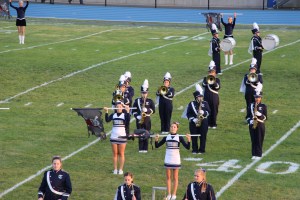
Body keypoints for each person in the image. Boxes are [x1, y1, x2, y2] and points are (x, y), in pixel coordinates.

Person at [155, 122, 191, 200]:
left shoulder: (179, 137)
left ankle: (174, 194)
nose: (172, 128)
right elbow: (157, 146)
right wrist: (156, 139)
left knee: (175, 177)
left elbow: (187, 147)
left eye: (174, 127)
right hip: (168, 158)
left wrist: (189, 140)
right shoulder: (166, 137)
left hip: (176, 159)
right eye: (171, 127)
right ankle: (169, 194)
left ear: (177, 128)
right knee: (168, 177)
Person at [104, 102, 130, 175]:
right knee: (115, 154)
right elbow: (107, 120)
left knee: (121, 153)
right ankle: (115, 169)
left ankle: (120, 169)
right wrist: (106, 112)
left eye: (120, 106)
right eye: (117, 106)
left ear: (122, 107)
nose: (119, 108)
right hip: (114, 136)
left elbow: (127, 122)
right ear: (115, 108)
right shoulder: (113, 115)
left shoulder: (124, 115)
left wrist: (128, 111)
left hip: (122, 136)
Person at [186, 84, 210, 154]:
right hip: (194, 122)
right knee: (194, 136)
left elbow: (209, 112)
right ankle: (194, 149)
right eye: (199, 97)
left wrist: (204, 112)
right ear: (196, 97)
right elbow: (188, 113)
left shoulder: (205, 103)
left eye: (201, 96)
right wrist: (193, 119)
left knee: (203, 136)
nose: (201, 98)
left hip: (204, 122)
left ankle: (202, 150)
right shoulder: (191, 104)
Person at [132, 79, 155, 153]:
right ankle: (140, 148)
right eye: (142, 93)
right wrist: (137, 116)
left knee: (147, 133)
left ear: (147, 93)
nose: (144, 94)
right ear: (141, 93)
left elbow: (153, 110)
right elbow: (133, 111)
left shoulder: (150, 101)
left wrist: (147, 110)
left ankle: (145, 148)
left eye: (145, 93)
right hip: (139, 120)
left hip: (147, 120)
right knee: (140, 134)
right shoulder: (137, 101)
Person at [246, 90, 267, 160]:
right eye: (256, 97)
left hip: (260, 125)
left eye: (258, 97)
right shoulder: (251, 105)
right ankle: (254, 154)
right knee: (253, 139)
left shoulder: (263, 106)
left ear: (261, 98)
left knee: (259, 139)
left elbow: (265, 117)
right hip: (252, 125)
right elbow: (247, 116)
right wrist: (250, 121)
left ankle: (259, 154)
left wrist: (260, 115)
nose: (257, 99)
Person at [202, 61, 221, 129]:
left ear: (215, 73)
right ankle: (208, 123)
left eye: (212, 72)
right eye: (210, 72)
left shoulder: (217, 79)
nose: (211, 73)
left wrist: (213, 81)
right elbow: (203, 85)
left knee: (214, 110)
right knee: (207, 109)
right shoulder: (205, 79)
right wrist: (208, 80)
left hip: (214, 97)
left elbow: (217, 87)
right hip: (207, 96)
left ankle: (214, 123)